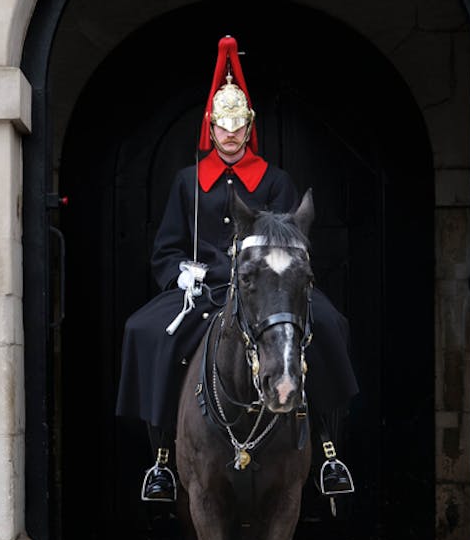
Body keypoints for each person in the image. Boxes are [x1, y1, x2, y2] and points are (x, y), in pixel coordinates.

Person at [115, 35, 359, 502]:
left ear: (249, 127)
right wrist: (179, 274)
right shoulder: (189, 183)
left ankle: (329, 450)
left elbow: (294, 244)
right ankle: (163, 459)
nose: (230, 135)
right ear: (211, 127)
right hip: (204, 292)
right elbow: (165, 249)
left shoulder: (275, 181)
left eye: (238, 125)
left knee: (330, 325)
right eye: (222, 127)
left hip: (268, 292)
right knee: (144, 331)